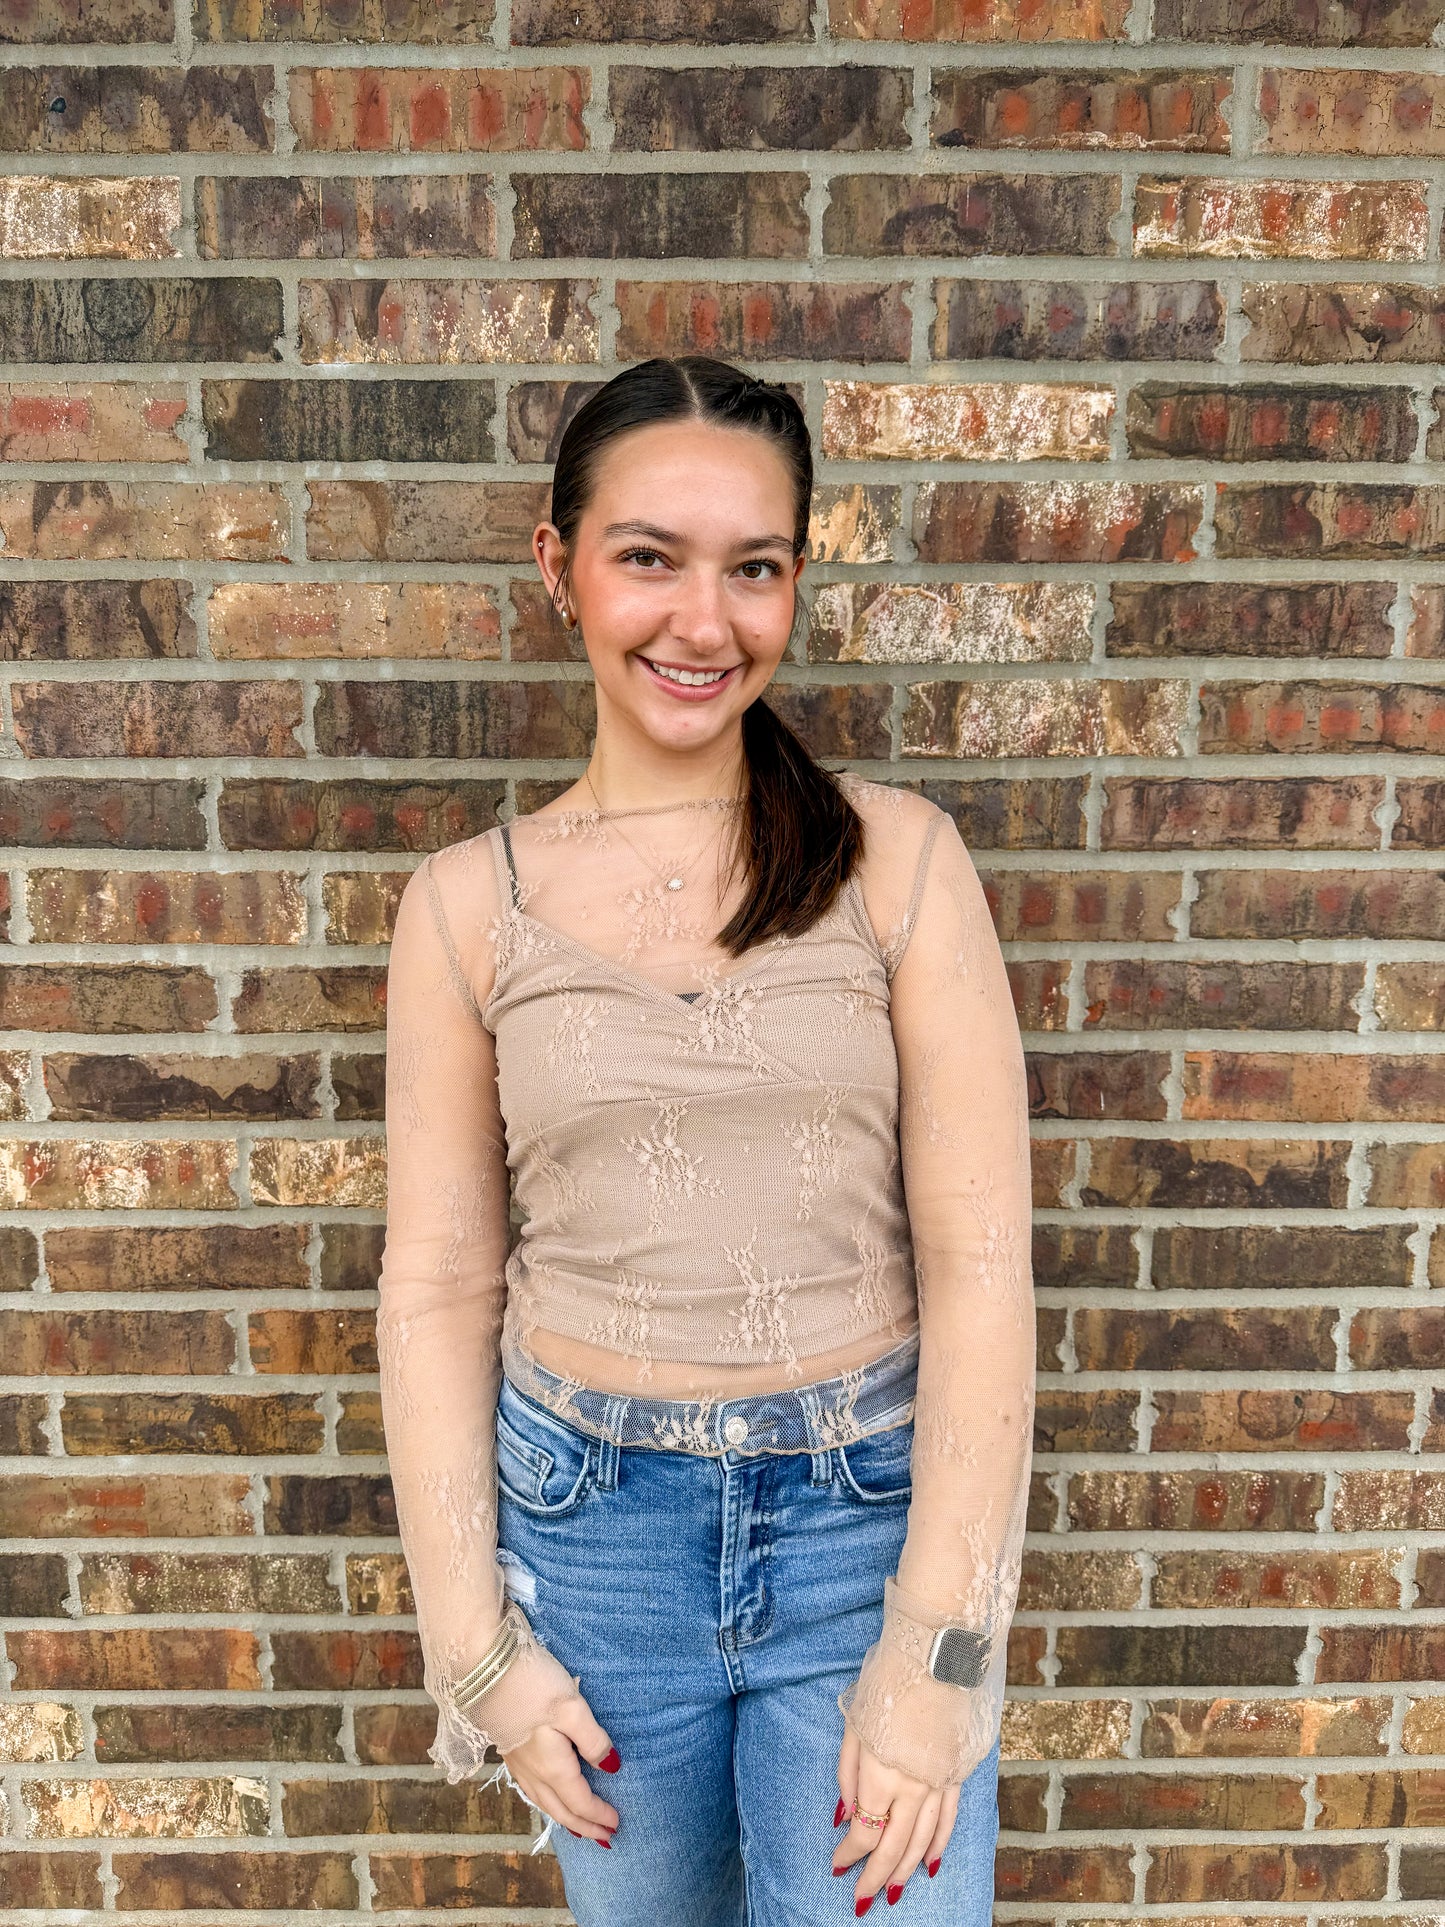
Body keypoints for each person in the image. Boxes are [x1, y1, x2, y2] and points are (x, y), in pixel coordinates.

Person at [376, 356, 1036, 1925]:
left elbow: (982, 1267)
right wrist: (476, 1653)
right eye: (647, 558)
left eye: (754, 568)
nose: (703, 619)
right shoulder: (470, 908)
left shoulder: (897, 865)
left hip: (858, 1534)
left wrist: (941, 1647)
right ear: (558, 566)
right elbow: (439, 1287)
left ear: (798, 577)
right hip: (593, 1549)